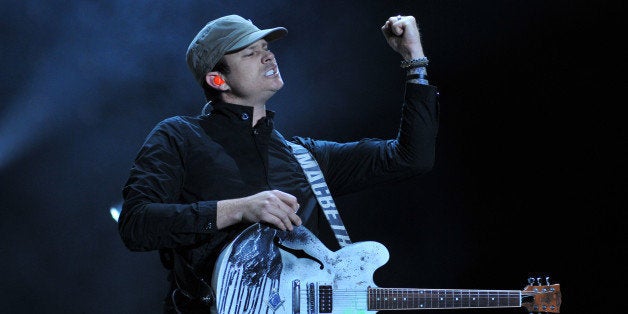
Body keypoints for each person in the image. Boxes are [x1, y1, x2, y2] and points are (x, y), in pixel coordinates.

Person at [118, 13, 439, 313]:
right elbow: (136, 225)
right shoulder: (179, 136)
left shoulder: (305, 156)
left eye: (266, 48)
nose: (268, 56)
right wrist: (239, 209)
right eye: (249, 53)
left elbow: (411, 158)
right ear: (218, 80)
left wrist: (414, 59)